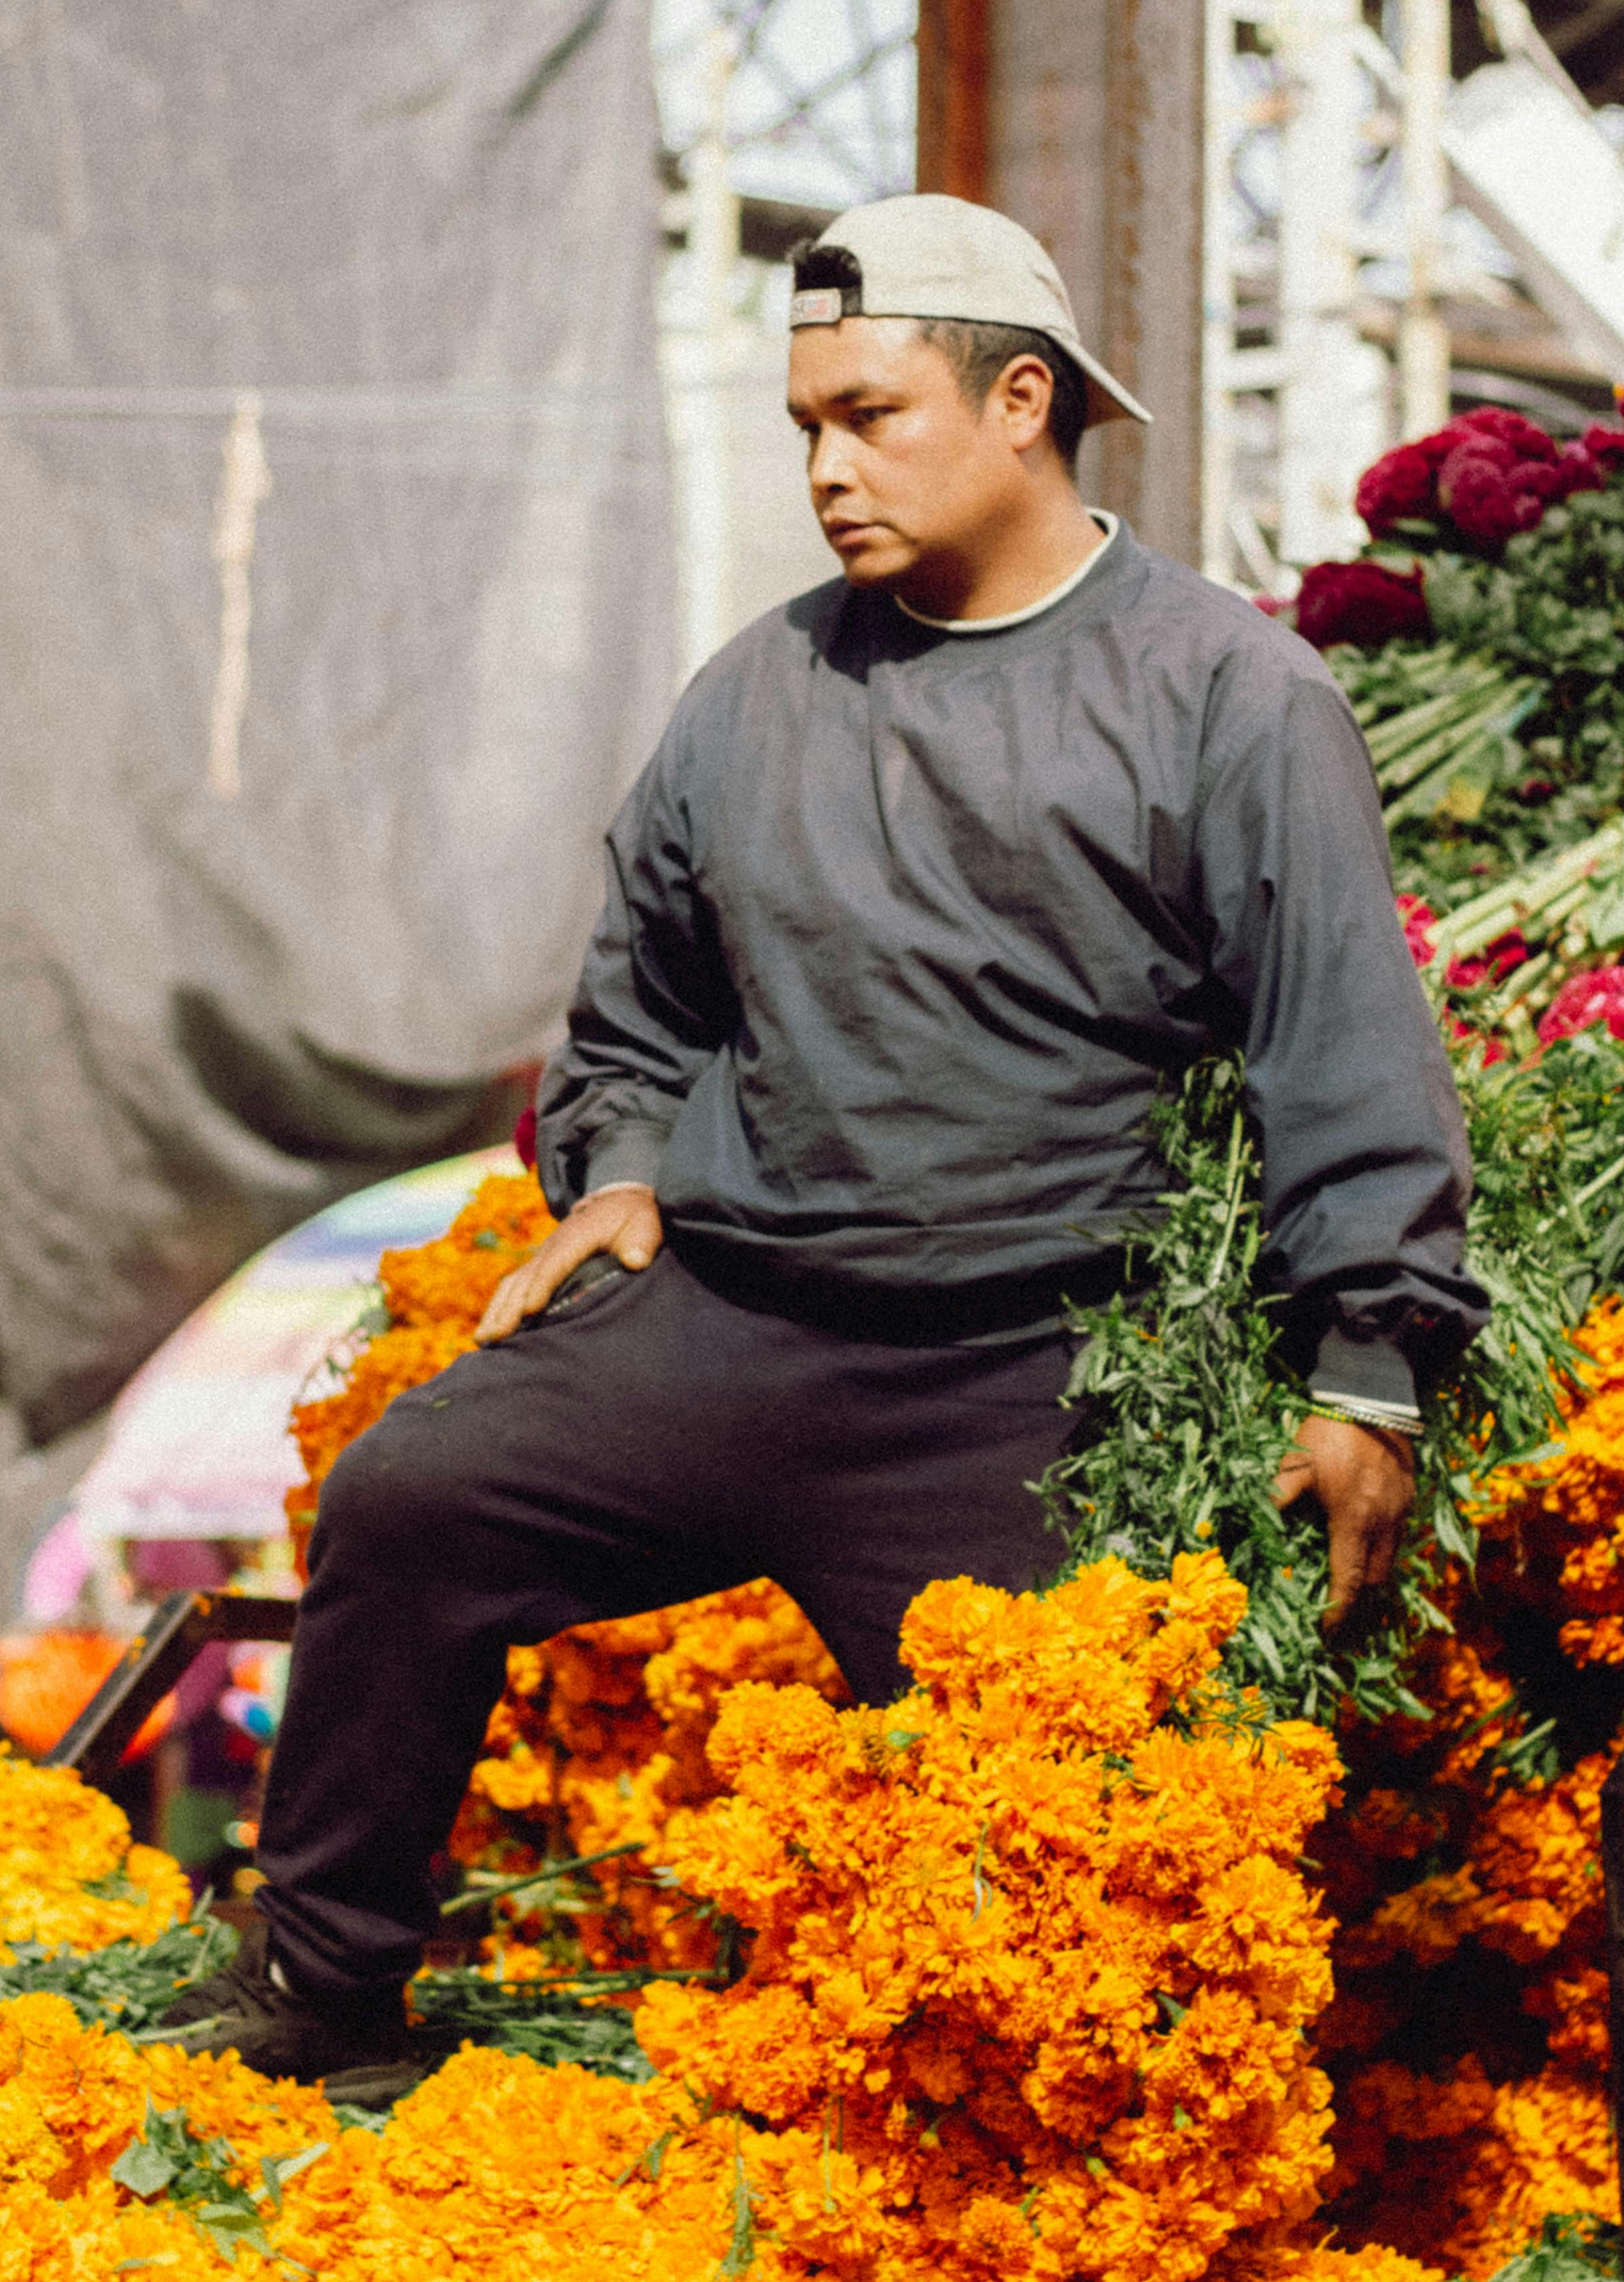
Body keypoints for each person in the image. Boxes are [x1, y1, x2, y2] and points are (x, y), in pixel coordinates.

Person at [171, 192, 1486, 2103]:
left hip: (1025, 1381)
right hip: (731, 1319)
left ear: (1020, 398)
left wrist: (1371, 1363)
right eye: (806, 426)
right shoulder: (759, 693)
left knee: (1048, 1915)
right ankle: (328, 1991)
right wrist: (615, 1170)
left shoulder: (1228, 692)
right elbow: (633, 1008)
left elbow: (1341, 1042)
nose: (826, 466)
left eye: (869, 413)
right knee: (411, 1501)